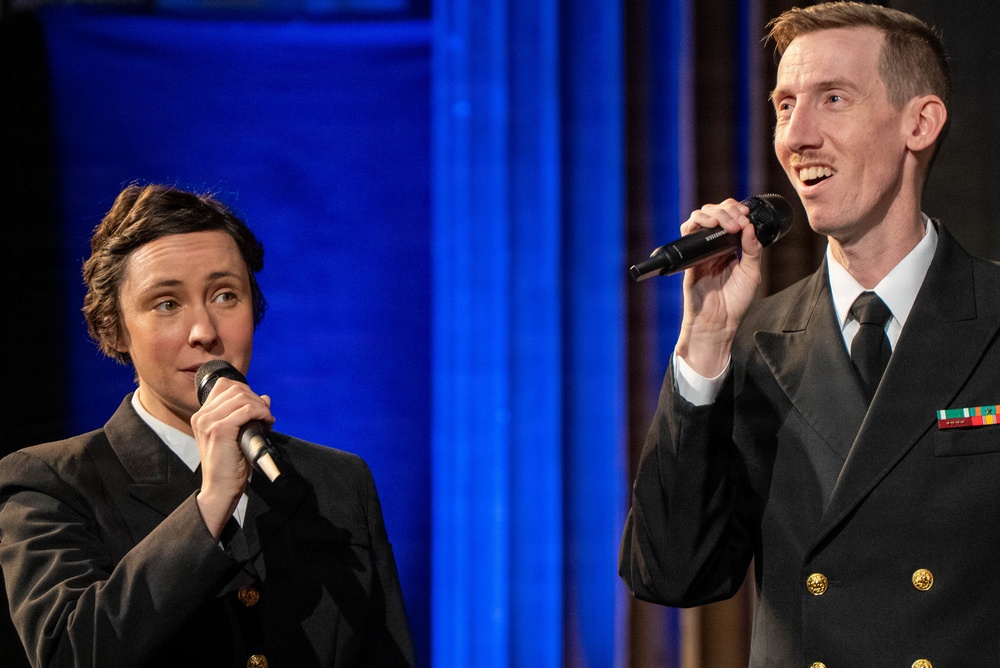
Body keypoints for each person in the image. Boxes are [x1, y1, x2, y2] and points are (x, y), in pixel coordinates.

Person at [619, 2, 1000, 665]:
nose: (797, 135)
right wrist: (704, 344)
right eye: (785, 105)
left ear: (920, 122)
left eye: (832, 99)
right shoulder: (752, 342)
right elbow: (673, 575)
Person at [0, 184, 416, 667]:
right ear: (113, 327)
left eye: (225, 295)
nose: (205, 332)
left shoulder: (338, 483)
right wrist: (211, 501)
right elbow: (68, 654)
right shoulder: (50, 483)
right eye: (167, 304)